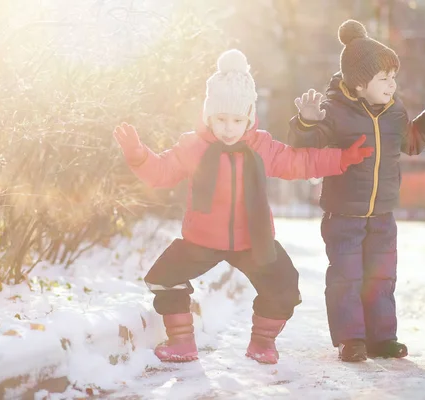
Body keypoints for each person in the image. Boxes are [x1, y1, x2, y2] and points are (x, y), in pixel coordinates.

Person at [113, 48, 373, 364]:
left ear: (249, 117)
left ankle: (263, 342)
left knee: (285, 287)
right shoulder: (194, 147)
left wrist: (342, 158)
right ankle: (182, 341)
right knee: (163, 276)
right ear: (208, 115)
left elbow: (298, 162)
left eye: (237, 120)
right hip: (201, 239)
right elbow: (161, 172)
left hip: (253, 240)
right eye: (221, 119)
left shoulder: (260, 146)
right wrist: (138, 155)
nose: (228, 127)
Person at [287, 20, 425, 362]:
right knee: (347, 277)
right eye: (384, 78)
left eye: (393, 76)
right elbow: (307, 146)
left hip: (382, 214)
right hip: (343, 214)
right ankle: (351, 339)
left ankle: (382, 337)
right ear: (360, 85)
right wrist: (306, 122)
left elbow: (413, 141)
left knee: (381, 276)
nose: (392, 84)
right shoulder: (334, 111)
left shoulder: (395, 112)